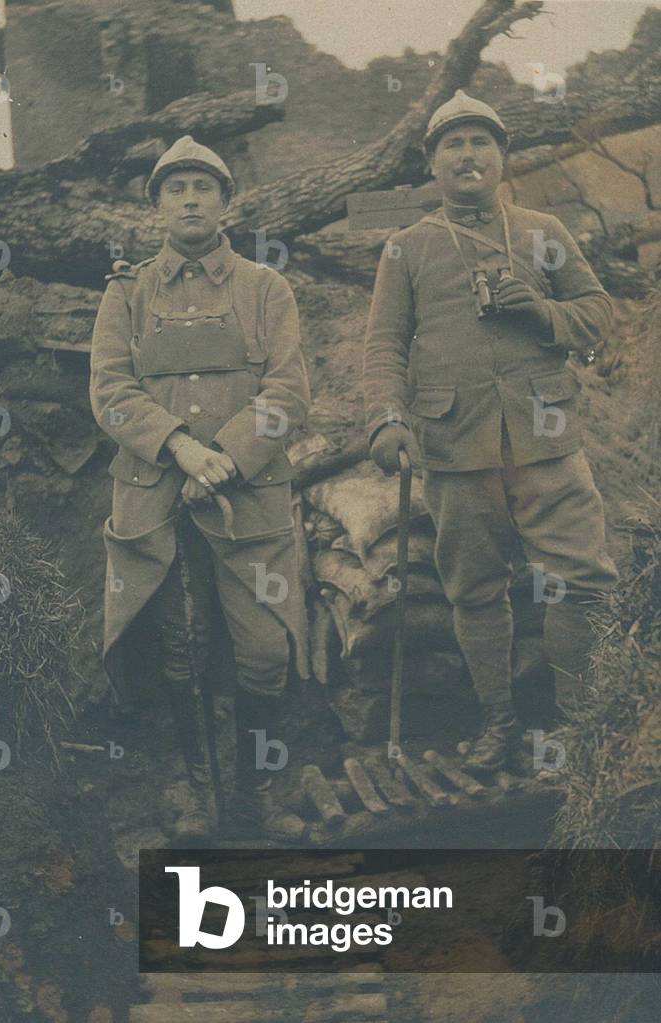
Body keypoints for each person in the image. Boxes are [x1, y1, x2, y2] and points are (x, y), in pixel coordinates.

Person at [363, 91, 618, 772]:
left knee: (582, 581)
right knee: (473, 589)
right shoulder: (407, 247)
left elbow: (597, 314)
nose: (468, 155)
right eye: (452, 144)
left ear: (503, 158)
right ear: (432, 164)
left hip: (545, 440)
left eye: (481, 142)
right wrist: (387, 418)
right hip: (455, 444)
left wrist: (539, 312)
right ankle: (498, 724)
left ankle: (579, 725)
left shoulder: (542, 231)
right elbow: (384, 344)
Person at [90, 136, 311, 838]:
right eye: (175, 188)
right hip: (153, 497)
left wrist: (226, 455)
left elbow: (288, 390)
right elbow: (109, 390)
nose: (189, 199)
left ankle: (258, 788)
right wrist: (178, 446)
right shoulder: (126, 294)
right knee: (171, 647)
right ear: (155, 205)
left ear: (225, 201)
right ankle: (189, 791)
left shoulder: (264, 288)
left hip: (247, 496)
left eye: (202, 187)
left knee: (264, 647)